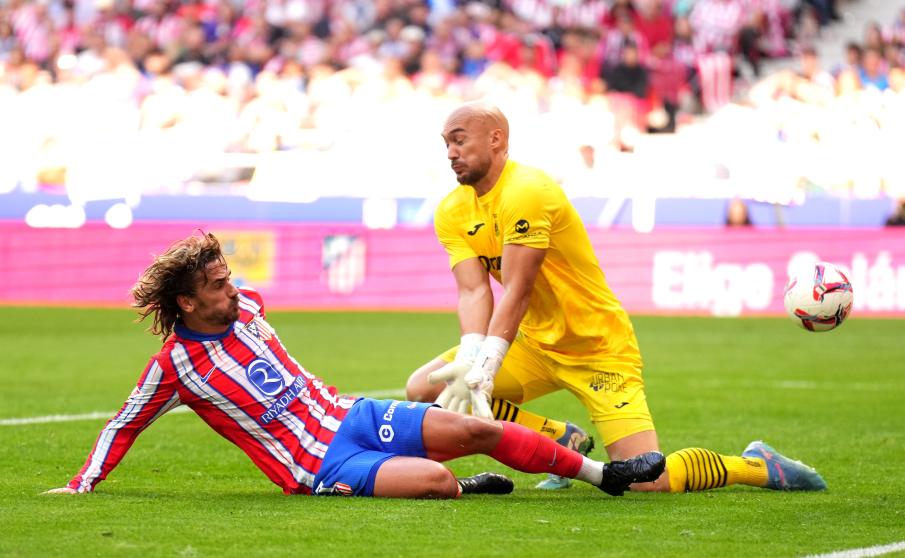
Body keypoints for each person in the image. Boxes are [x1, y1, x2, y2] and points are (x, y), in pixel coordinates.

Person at [44, 232, 665, 499]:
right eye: (216, 284)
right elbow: (123, 424)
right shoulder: (175, 366)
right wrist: (80, 485)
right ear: (187, 302)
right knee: (439, 483)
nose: (232, 289)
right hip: (318, 464)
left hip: (352, 415)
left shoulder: (250, 303)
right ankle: (461, 488)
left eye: (228, 276)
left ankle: (602, 475)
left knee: (476, 430)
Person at [406, 102, 827, 494]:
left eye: (459, 140)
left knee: (646, 481)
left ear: (496, 139)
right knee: (424, 389)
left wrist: (487, 362)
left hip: (597, 346)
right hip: (531, 342)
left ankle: (754, 465)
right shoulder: (452, 211)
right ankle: (559, 438)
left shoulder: (526, 190)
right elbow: (474, 289)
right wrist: (469, 354)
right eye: (446, 143)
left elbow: (518, 287)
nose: (450, 153)